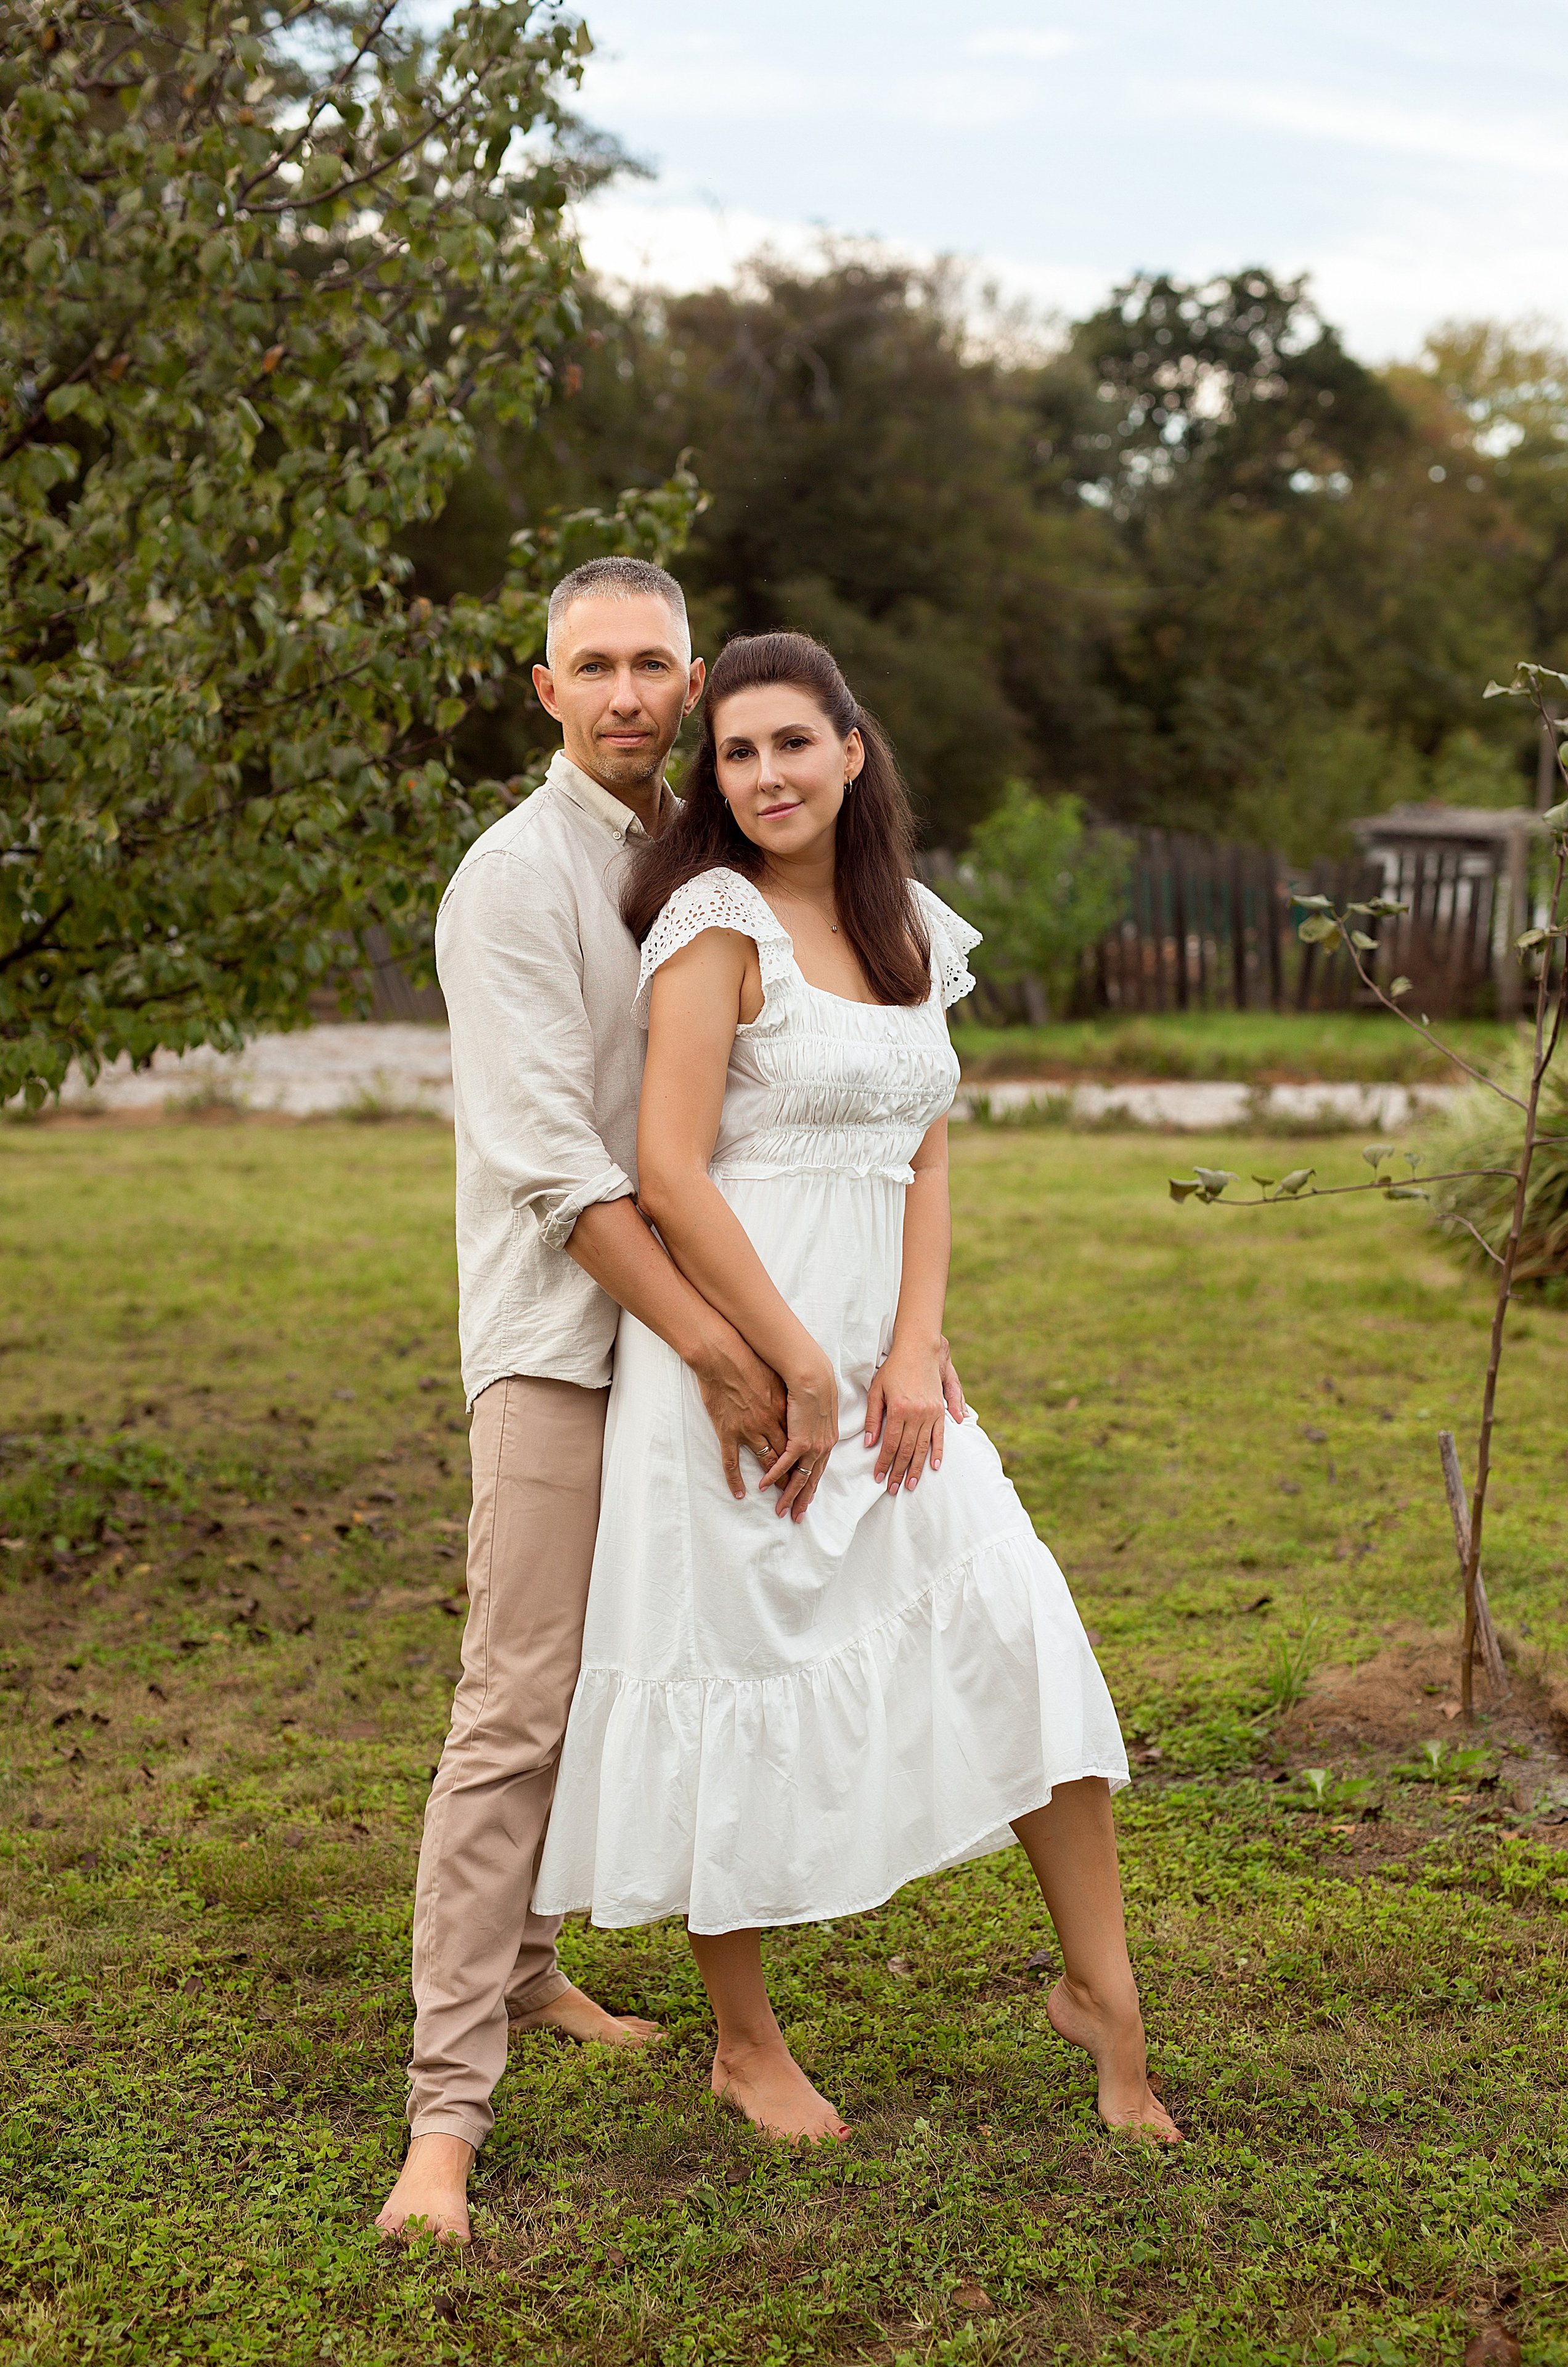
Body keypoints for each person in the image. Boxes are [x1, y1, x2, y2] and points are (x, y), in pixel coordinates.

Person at [377, 562, 971, 2244]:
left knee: (665, 1653)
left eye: (654, 665)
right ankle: (443, 2122)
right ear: (543, 687)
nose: (628, 693)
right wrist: (728, 1351)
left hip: (722, 1334)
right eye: (595, 667)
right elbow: (559, 1166)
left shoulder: (706, 860)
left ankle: (534, 1974)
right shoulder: (513, 881)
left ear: (693, 684)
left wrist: (859, 1324)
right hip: (575, 1342)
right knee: (518, 1702)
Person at [534, 631, 1179, 2146]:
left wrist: (906, 1345)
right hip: (735, 1363)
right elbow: (670, 1172)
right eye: (737, 753)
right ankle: (745, 2045)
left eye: (789, 745)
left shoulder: (908, 928)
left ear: (851, 750)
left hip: (890, 1370)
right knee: (732, 1669)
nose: (762, 776)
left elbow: (927, 1144)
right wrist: (791, 1364)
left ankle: (1108, 2000)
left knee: (1016, 1629)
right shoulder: (708, 921)